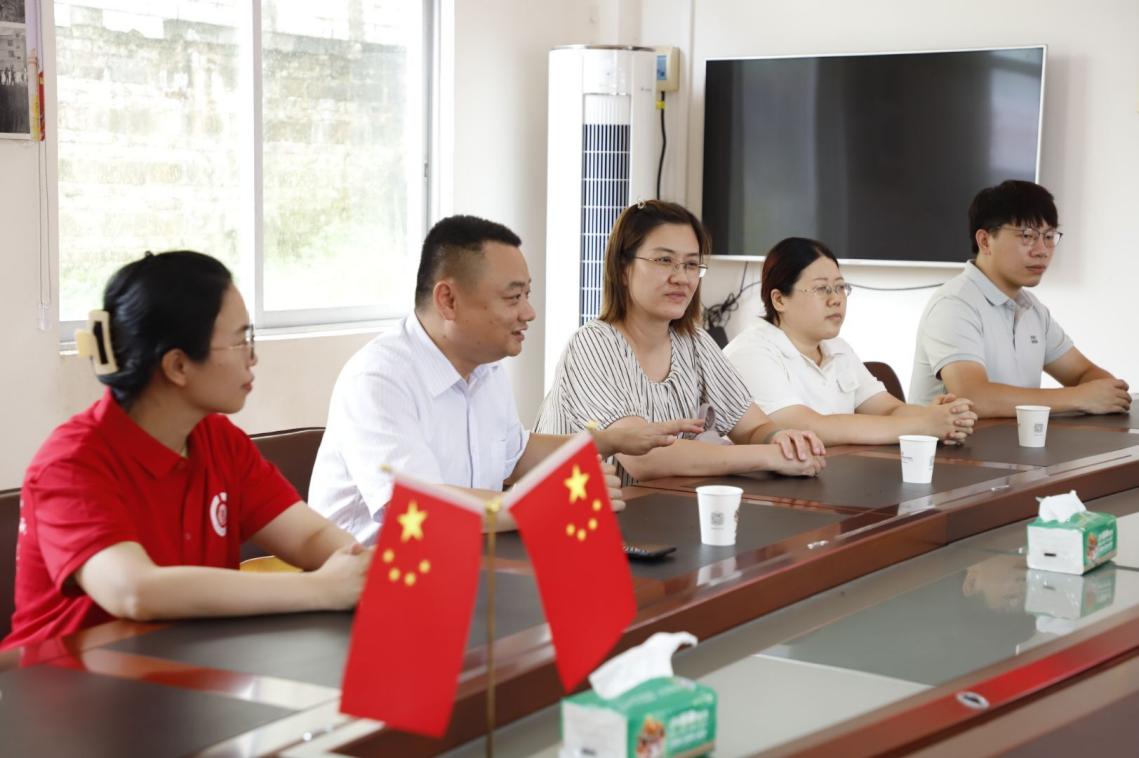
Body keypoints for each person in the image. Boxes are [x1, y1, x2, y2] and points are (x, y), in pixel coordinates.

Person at [3, 252, 371, 651]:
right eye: (240, 340)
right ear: (178, 366)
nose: (253, 357)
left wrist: (360, 569)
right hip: (62, 678)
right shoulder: (72, 463)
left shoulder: (218, 440)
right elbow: (134, 591)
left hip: (185, 663)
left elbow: (309, 536)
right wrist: (321, 589)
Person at [308, 215, 701, 544]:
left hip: (469, 565)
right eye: (513, 298)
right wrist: (545, 504)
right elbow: (419, 509)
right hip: (374, 586)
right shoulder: (379, 378)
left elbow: (516, 455)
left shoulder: (485, 367)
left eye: (527, 295)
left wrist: (610, 440)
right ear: (448, 300)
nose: (529, 313)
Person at [534, 201, 827, 486]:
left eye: (691, 264)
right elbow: (645, 459)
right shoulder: (592, 344)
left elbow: (752, 427)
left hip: (660, 511)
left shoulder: (694, 342)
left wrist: (780, 439)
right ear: (623, 268)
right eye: (664, 261)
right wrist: (769, 457)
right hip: (578, 516)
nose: (681, 278)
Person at [723, 237, 977, 446]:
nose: (836, 299)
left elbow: (888, 409)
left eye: (840, 287)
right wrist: (923, 426)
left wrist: (942, 417)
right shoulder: (751, 352)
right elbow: (809, 427)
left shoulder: (838, 348)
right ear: (779, 300)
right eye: (821, 289)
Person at [910, 180, 1130, 417]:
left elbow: (1085, 374)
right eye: (1027, 236)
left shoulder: (1031, 308)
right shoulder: (954, 304)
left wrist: (1104, 392)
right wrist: (1079, 397)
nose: (1042, 250)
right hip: (951, 442)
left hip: (1014, 440)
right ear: (985, 241)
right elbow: (974, 398)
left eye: (1049, 236)